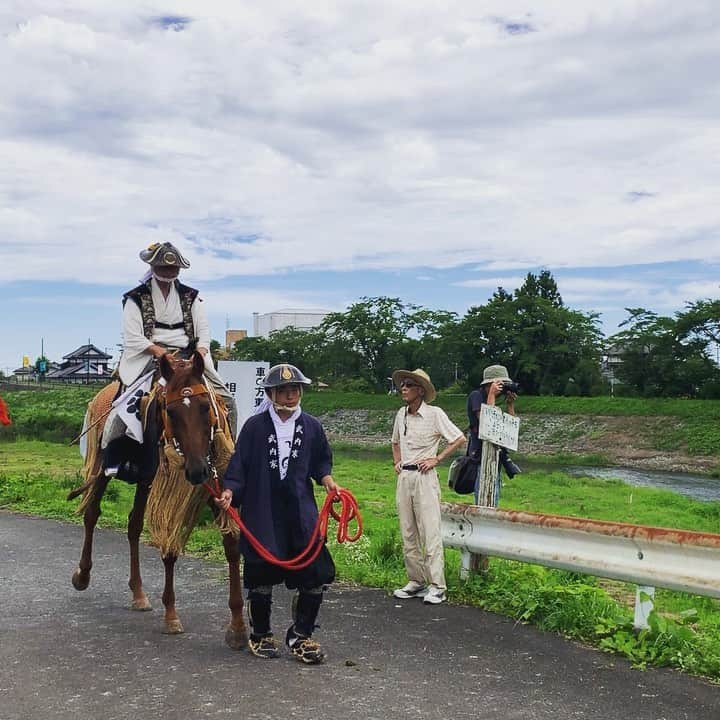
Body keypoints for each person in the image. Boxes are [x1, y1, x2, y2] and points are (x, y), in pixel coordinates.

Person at [215, 363, 340, 664]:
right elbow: (239, 467)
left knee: (314, 575)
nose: (289, 395)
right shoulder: (254, 427)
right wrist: (230, 491)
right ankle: (260, 635)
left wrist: (327, 480)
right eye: (282, 391)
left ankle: (302, 636)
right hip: (262, 511)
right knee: (260, 575)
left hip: (300, 511)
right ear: (270, 394)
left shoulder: (312, 426)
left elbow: (321, 462)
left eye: (294, 389)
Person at [102, 241, 237, 480]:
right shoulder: (135, 298)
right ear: (153, 266)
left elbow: (203, 330)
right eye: (163, 268)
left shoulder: (191, 296)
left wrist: (201, 353)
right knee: (124, 403)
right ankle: (115, 458)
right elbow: (133, 336)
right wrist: (160, 353)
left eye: (172, 269)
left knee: (227, 400)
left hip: (189, 355)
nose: (168, 272)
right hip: (150, 356)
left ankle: (228, 453)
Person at [391, 368, 465, 605]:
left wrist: (437, 458)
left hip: (425, 477)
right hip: (405, 477)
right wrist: (397, 462)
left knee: (429, 530)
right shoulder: (401, 415)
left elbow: (459, 438)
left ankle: (437, 585)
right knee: (408, 530)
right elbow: (394, 442)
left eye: (409, 385)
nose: (404, 388)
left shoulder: (435, 414)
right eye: (403, 384)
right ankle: (415, 580)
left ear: (421, 390)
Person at [466, 364, 521, 479]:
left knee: (494, 491)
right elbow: (487, 423)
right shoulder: (476, 396)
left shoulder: (494, 399)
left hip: (497, 454)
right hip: (481, 454)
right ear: (490, 384)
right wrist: (491, 395)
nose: (503, 387)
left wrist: (510, 405)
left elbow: (511, 427)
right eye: (501, 384)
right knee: (484, 492)